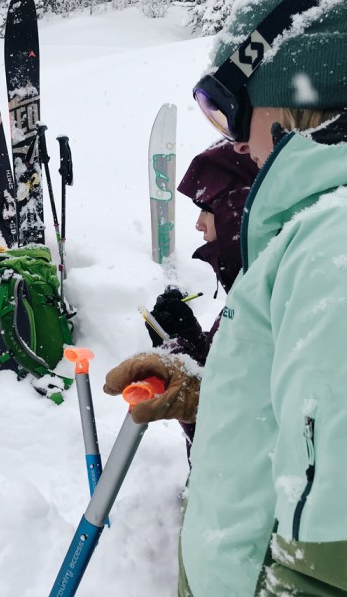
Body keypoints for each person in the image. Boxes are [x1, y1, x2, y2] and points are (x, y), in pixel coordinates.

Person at [103, 0, 347, 594]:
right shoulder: (327, 231)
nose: (235, 142)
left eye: (228, 110)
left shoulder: (346, 242)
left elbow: (337, 565)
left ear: (295, 101)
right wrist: (210, 390)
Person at [143, 141, 258, 458]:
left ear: (238, 213)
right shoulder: (253, 283)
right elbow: (222, 372)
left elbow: (216, 423)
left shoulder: (265, 296)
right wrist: (186, 335)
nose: (199, 224)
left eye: (209, 210)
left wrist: (173, 349)